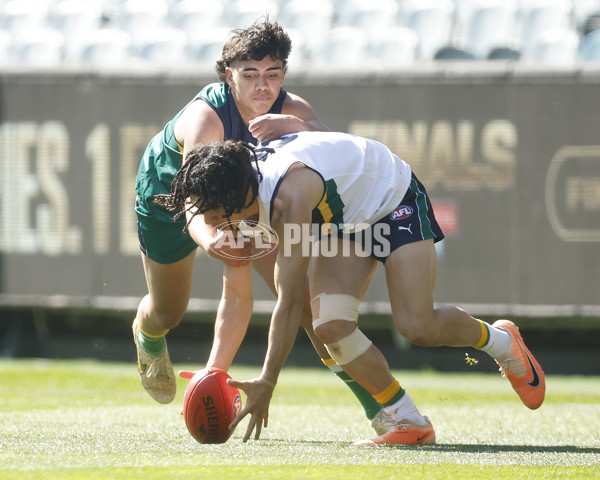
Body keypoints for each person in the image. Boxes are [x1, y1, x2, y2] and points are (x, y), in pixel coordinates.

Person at [154, 131, 546, 444]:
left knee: (417, 326)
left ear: (233, 201)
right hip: (348, 222)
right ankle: (409, 421)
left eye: (213, 216)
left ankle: (502, 342)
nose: (213, 224)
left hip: (394, 200)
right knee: (331, 326)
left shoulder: (289, 198)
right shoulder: (248, 180)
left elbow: (290, 302)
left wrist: (267, 381)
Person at [132, 20, 390, 434]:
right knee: (167, 311)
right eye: (249, 74)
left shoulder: (293, 109)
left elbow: (334, 154)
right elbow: (197, 202)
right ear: (227, 74)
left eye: (272, 74)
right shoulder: (207, 119)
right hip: (172, 200)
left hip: (246, 204)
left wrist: (301, 128)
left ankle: (379, 410)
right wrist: (214, 239)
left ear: (283, 75)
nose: (262, 87)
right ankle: (146, 336)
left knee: (305, 303)